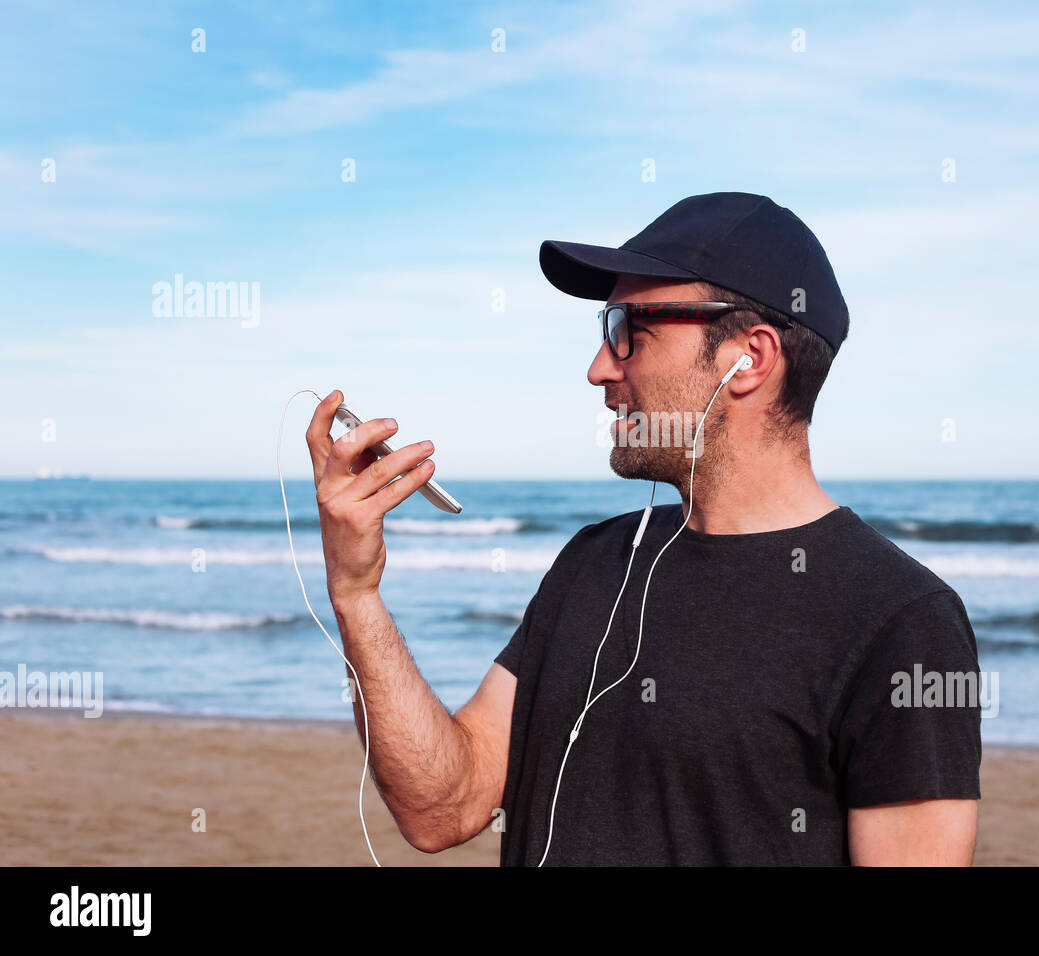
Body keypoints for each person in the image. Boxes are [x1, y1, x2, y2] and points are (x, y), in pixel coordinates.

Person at [306, 192, 982, 866]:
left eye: (631, 328)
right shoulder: (596, 561)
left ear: (749, 358)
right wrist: (357, 593)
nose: (601, 367)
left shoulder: (899, 622)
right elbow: (441, 810)